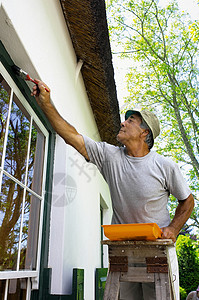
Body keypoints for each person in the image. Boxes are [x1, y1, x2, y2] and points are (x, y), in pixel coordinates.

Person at [31, 80, 194, 300]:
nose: (123, 123)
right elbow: (72, 136)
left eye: (131, 120)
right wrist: (46, 103)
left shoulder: (164, 166)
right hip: (123, 252)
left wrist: (174, 229)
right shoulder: (110, 157)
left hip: (158, 254)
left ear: (144, 132)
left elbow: (188, 201)